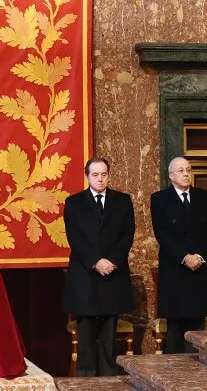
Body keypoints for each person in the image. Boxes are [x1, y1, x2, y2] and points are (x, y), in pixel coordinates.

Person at [61, 157, 135, 377]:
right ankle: (86, 377)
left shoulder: (122, 201)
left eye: (104, 174)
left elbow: (127, 234)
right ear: (87, 176)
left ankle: (107, 376)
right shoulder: (74, 202)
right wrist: (95, 261)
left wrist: (112, 260)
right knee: (85, 331)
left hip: (113, 274)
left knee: (108, 331)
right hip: (85, 275)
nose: (100, 179)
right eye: (95, 175)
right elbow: (75, 237)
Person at [150, 157, 207, 353]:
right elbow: (162, 233)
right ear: (171, 176)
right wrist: (185, 257)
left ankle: (198, 374)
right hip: (175, 270)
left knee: (198, 330)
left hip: (199, 269)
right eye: (181, 170)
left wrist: (200, 256)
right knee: (175, 331)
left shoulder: (202, 196)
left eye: (188, 169)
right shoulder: (159, 199)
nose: (186, 174)